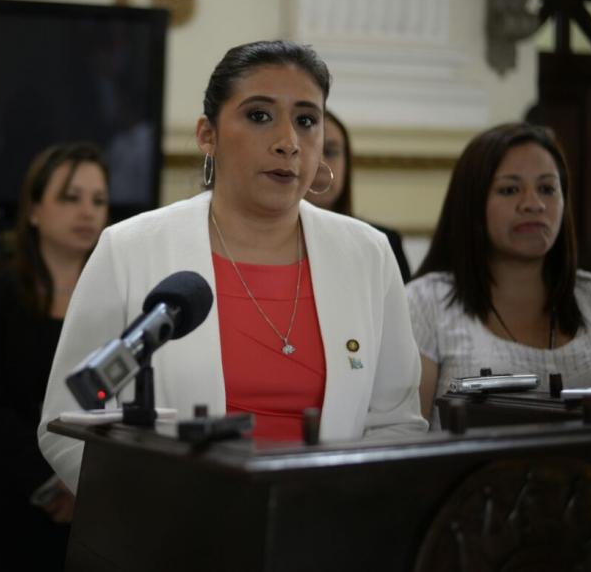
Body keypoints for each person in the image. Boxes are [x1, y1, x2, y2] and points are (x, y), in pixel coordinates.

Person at [38, 39, 427, 493]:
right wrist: (155, 517)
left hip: (326, 519)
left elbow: (396, 422)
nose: (288, 143)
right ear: (208, 135)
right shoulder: (129, 248)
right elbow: (68, 423)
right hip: (176, 523)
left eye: (306, 121)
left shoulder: (368, 254)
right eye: (259, 116)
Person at [407, 122, 591, 421]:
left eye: (547, 189)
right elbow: (408, 432)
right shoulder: (425, 303)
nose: (533, 204)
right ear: (472, 202)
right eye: (510, 189)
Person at [0, 142, 109, 571]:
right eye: (70, 197)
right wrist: (50, 485)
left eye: (98, 200)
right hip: (21, 496)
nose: (87, 212)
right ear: (33, 211)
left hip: (100, 495)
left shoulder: (115, 294)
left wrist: (89, 485)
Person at [304, 110, 411, 281]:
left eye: (330, 152)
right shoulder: (269, 244)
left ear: (347, 164)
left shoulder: (382, 243)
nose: (321, 164)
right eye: (310, 151)